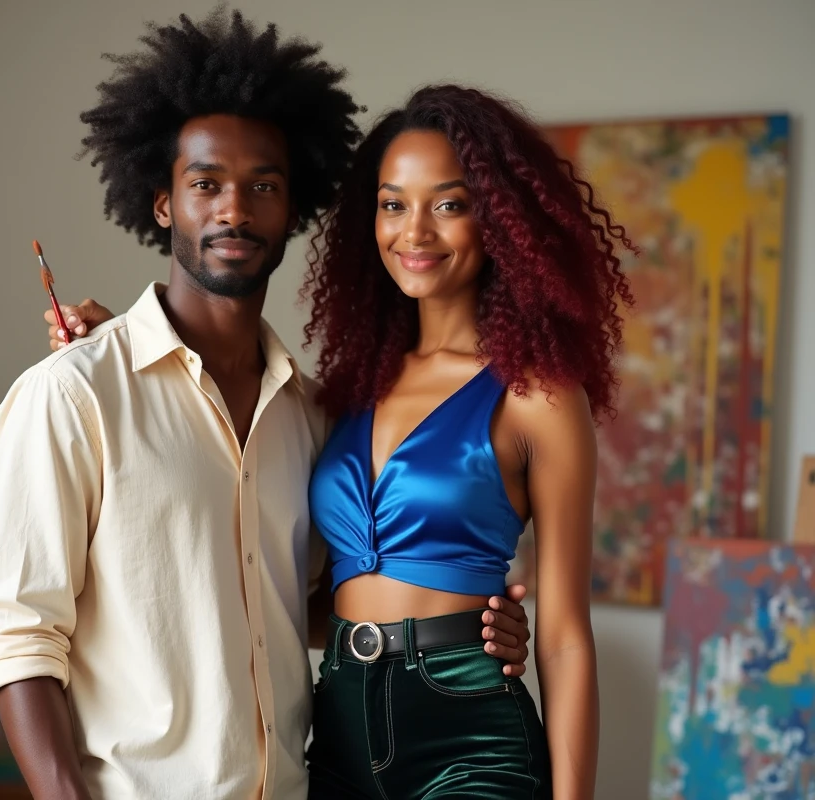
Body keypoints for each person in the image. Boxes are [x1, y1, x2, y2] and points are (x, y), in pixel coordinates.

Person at [0, 8, 531, 800]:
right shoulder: (73, 395)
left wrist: (467, 630)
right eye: (205, 184)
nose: (234, 209)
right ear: (163, 202)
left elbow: (301, 605)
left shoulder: (309, 414)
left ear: (291, 208)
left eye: (261, 186)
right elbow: (20, 638)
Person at [50, 84, 635, 799]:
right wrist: (119, 344)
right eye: (393, 204)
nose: (413, 232)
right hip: (334, 733)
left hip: (470, 732)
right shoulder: (336, 394)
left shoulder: (537, 396)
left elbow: (568, 636)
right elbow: (284, 579)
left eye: (449, 204)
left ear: (500, 223)